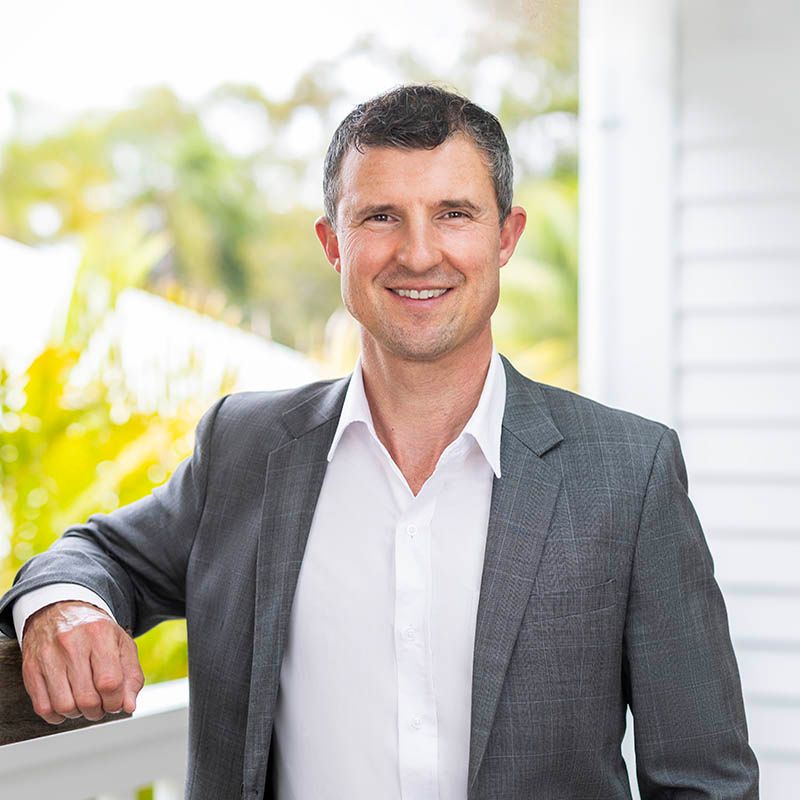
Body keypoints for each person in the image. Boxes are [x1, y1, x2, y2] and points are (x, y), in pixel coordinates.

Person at [0, 85, 758, 799]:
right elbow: (97, 555)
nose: (419, 254)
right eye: (381, 217)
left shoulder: (628, 474)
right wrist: (60, 607)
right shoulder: (245, 449)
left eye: (454, 213)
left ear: (506, 236)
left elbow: (706, 783)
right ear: (333, 243)